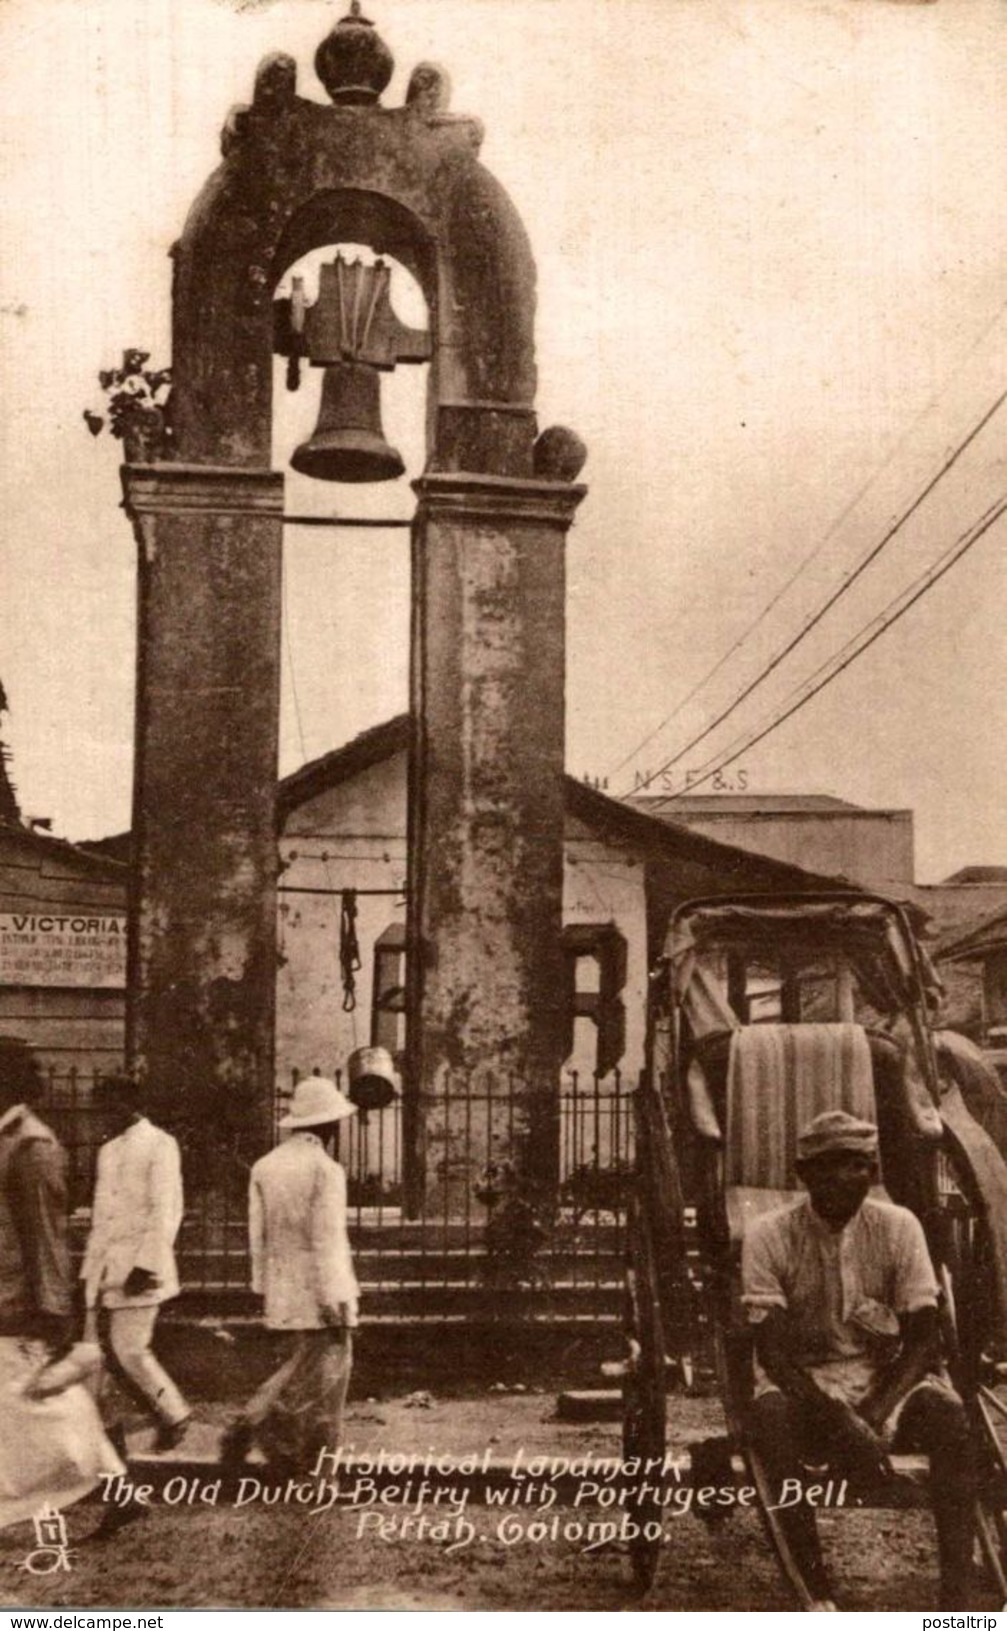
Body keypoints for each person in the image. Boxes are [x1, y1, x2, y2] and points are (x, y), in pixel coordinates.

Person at [742, 1108, 976, 1610]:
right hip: (804, 1383)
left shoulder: (898, 1227)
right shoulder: (769, 1234)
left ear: (873, 1171)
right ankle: (817, 1590)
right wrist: (839, 1420)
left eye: (855, 1165)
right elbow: (774, 1354)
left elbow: (923, 1341)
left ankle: (957, 1601)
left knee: (951, 1417)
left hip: (886, 1381)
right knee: (769, 1417)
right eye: (826, 1166)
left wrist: (870, 1415)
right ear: (802, 1175)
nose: (842, 1178)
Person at [0, 1035, 123, 1529]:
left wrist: (52, 1308)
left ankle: (117, 1485)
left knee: (35, 1401)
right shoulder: (10, 1140)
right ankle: (121, 1486)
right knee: (46, 1403)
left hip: (18, 1294)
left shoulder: (32, 1146)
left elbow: (46, 1233)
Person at [221, 1076, 358, 1475]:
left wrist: (262, 1286)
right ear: (329, 1126)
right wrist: (334, 1299)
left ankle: (255, 1421)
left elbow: (256, 1234)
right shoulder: (325, 1169)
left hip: (283, 1287)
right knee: (330, 1384)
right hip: (322, 1288)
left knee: (297, 1367)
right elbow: (327, 1237)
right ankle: (320, 1472)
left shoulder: (265, 1166)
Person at [81, 1073, 190, 1452]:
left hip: (142, 1268)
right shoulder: (107, 1152)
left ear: (129, 1104)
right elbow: (102, 1216)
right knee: (101, 1354)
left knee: (131, 1350)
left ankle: (174, 1414)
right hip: (107, 1268)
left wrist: (146, 1266)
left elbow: (166, 1211)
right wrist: (89, 1273)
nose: (104, 1116)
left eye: (109, 1107)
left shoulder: (160, 1144)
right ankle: (112, 1436)